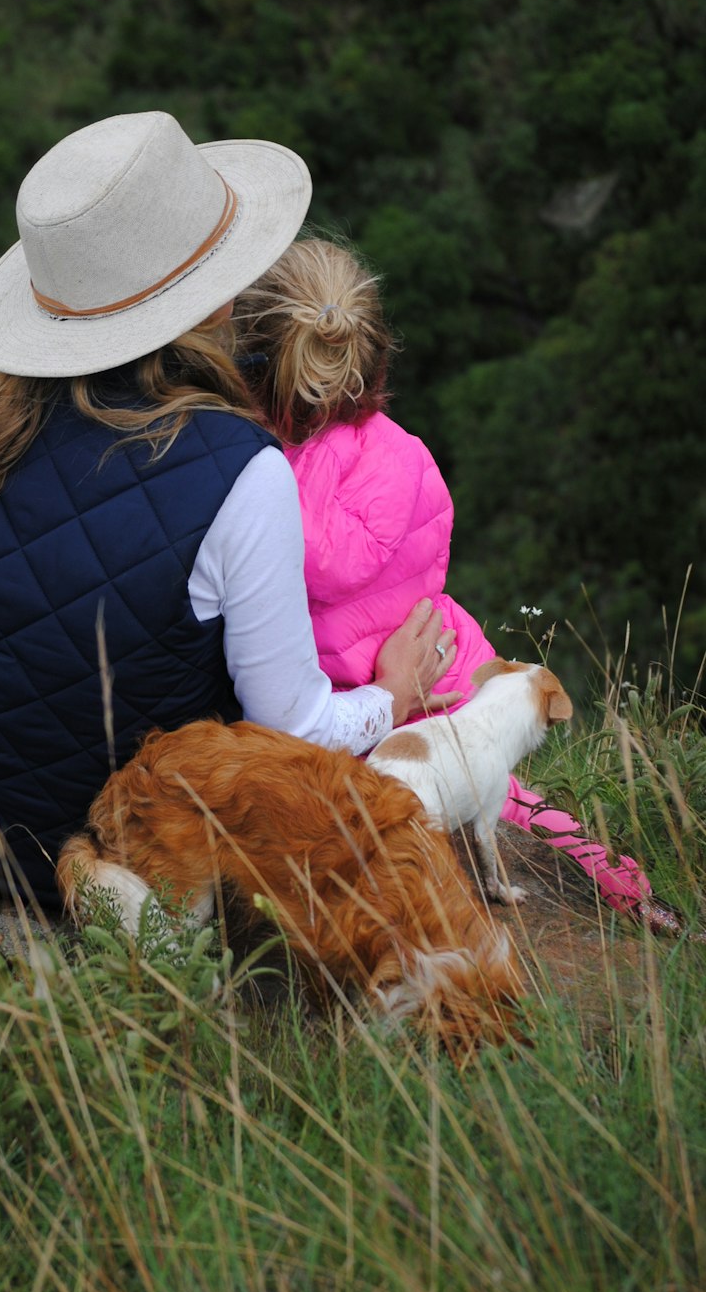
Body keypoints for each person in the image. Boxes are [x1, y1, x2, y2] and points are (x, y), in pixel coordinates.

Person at [0, 112, 456, 910]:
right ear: (216, 300)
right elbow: (292, 724)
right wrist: (393, 692)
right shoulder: (239, 472)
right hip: (95, 843)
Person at [235, 236, 682, 930]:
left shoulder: (249, 482)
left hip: (353, 725)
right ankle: (625, 890)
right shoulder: (405, 455)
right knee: (507, 797)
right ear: (371, 349)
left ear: (253, 359)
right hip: (444, 666)